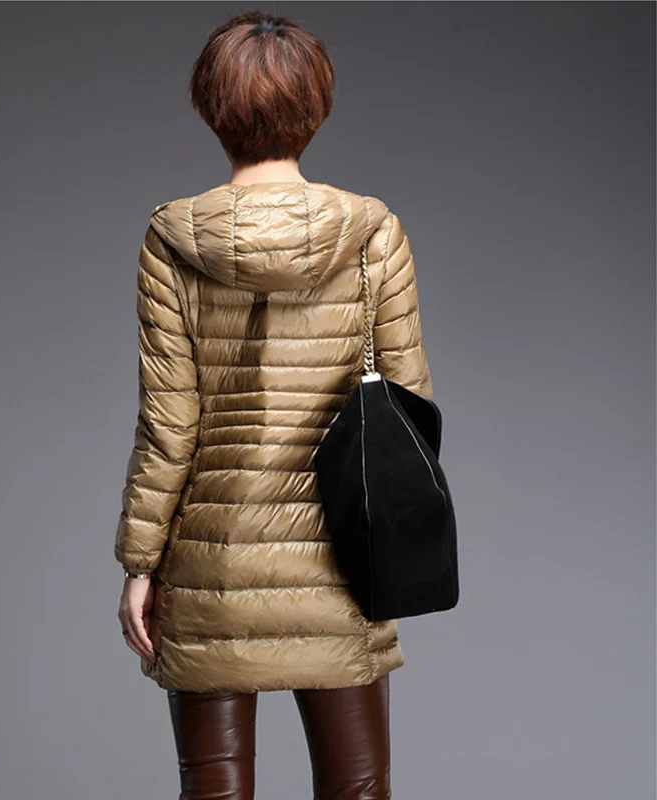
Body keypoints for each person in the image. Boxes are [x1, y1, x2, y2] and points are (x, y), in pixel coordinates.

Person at [114, 10, 434, 799]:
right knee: (358, 790)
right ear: (315, 108)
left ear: (211, 108)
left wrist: (141, 563)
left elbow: (169, 423)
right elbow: (409, 404)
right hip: (347, 562)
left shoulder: (173, 238)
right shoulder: (373, 232)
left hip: (210, 562)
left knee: (213, 793)